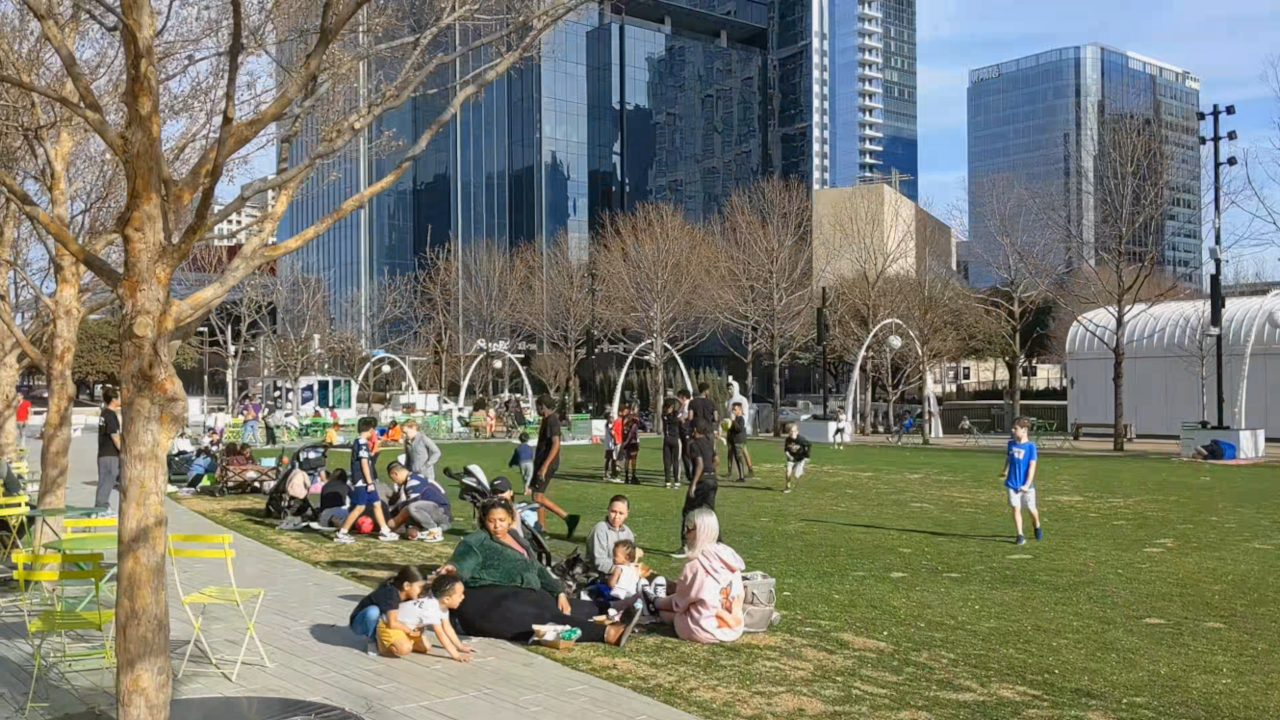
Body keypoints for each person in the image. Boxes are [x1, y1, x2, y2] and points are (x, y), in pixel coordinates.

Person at [438, 498, 641, 647]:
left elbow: (537, 568)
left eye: (501, 520)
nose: (497, 525)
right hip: (490, 601)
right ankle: (607, 633)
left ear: (510, 519)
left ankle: (614, 610)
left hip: (524, 593)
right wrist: (454, 569)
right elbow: (463, 562)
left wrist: (559, 591)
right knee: (545, 616)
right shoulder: (477, 541)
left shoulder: (517, 538)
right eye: (492, 521)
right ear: (485, 521)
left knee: (564, 605)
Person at [654, 508, 745, 644]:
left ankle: (652, 602)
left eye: (689, 528)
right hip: (733, 629)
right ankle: (655, 603)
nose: (685, 534)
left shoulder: (695, 565)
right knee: (695, 606)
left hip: (703, 630)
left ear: (700, 531)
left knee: (667, 614)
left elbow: (680, 602)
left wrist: (658, 602)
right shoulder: (728, 556)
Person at [334, 417, 398, 544]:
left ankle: (384, 530)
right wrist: (369, 482)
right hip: (363, 481)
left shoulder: (359, 442)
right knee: (360, 507)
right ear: (371, 430)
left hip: (366, 481)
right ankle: (342, 532)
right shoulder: (362, 443)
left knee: (376, 504)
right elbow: (364, 464)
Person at [389, 574, 473, 662]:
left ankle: (403, 640)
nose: (463, 597)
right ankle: (383, 644)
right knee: (404, 649)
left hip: (407, 628)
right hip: (391, 625)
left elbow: (448, 628)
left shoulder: (442, 605)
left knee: (426, 647)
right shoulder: (432, 609)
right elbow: (441, 634)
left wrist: (460, 647)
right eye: (460, 595)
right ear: (447, 599)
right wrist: (456, 655)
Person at [349, 566, 427, 657]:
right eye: (420, 587)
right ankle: (372, 641)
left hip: (383, 620)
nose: (423, 591)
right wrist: (408, 631)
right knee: (373, 611)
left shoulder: (407, 596)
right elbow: (392, 623)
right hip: (360, 623)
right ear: (407, 586)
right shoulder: (391, 594)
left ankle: (384, 640)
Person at [530, 394, 580, 538]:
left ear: (542, 407)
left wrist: (545, 466)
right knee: (537, 496)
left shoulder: (552, 420)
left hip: (547, 464)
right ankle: (542, 529)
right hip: (541, 462)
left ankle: (567, 519)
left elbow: (556, 444)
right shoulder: (547, 420)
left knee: (538, 497)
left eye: (537, 407)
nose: (536, 410)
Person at [673, 420, 718, 558]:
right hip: (712, 481)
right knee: (710, 515)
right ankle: (716, 543)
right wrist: (712, 473)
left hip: (702, 482)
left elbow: (699, 465)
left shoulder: (694, 445)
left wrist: (693, 484)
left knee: (688, 511)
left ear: (695, 430)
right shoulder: (709, 443)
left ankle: (685, 545)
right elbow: (717, 460)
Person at [1001, 416, 1042, 545]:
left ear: (1024, 430)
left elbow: (1032, 467)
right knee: (1016, 509)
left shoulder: (1031, 447)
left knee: (1031, 510)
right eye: (1012, 428)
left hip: (1026, 486)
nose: (1013, 431)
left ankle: (1037, 525)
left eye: (1016, 428)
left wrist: (1026, 484)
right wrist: (1005, 470)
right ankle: (1020, 535)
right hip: (1012, 483)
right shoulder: (1011, 444)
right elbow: (1009, 458)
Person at [385, 461, 452, 542]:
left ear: (396, 474)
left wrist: (395, 521)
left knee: (412, 507)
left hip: (441, 512)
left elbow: (411, 507)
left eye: (393, 479)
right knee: (411, 532)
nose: (395, 482)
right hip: (434, 511)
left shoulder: (413, 482)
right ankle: (426, 530)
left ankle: (433, 530)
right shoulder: (414, 476)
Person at [585, 495, 635, 576]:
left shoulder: (628, 532)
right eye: (613, 511)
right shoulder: (600, 529)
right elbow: (600, 562)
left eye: (621, 513)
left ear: (627, 514)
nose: (616, 517)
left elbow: (630, 559)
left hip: (621, 575)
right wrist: (622, 571)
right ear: (608, 510)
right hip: (598, 575)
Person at [95, 389, 122, 514]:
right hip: (110, 454)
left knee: (105, 480)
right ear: (114, 400)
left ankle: (101, 506)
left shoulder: (104, 413)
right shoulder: (110, 415)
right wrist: (122, 450)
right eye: (119, 397)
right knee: (108, 480)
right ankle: (102, 506)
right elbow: (114, 436)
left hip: (103, 453)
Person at [783, 423, 811, 494]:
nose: (792, 433)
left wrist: (807, 456)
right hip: (791, 458)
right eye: (791, 431)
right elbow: (786, 449)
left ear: (797, 432)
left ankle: (800, 470)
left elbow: (809, 445)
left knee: (797, 475)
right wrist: (789, 455)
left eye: (794, 431)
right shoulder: (788, 440)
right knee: (788, 471)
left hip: (800, 459)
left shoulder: (801, 440)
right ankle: (787, 486)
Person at [661, 399, 682, 490]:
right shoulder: (676, 415)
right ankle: (676, 481)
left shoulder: (664, 416)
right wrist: (677, 398)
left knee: (667, 461)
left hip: (667, 439)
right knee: (675, 461)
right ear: (672, 407)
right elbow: (682, 405)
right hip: (675, 439)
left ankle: (667, 481)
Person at [726, 403, 748, 483]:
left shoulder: (740, 419)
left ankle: (742, 477)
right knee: (736, 458)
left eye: (735, 409)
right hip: (734, 441)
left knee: (739, 458)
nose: (733, 411)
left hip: (738, 441)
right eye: (733, 410)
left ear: (739, 410)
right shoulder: (735, 419)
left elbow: (740, 429)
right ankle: (740, 476)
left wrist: (734, 421)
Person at [621, 403, 642, 485]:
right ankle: (629, 476)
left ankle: (631, 476)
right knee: (630, 459)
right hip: (631, 441)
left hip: (631, 440)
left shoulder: (634, 418)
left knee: (630, 459)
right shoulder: (629, 418)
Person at [676, 389, 694, 484]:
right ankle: (688, 473)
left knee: (687, 453)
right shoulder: (683, 404)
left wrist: (682, 418)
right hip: (683, 430)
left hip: (686, 430)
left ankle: (691, 473)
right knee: (684, 453)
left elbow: (688, 414)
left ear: (683, 396)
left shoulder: (688, 403)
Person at [603, 411, 620, 483]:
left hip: (608, 445)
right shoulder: (610, 425)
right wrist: (616, 439)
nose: (612, 419)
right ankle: (613, 474)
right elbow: (612, 433)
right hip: (611, 445)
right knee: (613, 459)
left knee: (608, 459)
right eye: (611, 418)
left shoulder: (607, 424)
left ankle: (606, 473)